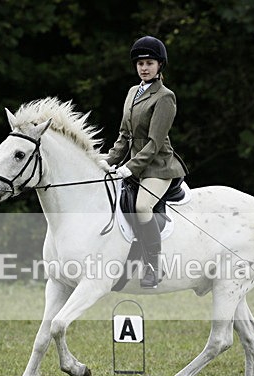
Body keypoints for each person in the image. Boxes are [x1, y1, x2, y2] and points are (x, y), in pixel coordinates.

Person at [99, 35, 187, 289]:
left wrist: (129, 167)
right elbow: (124, 136)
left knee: (141, 207)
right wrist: (108, 160)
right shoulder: (132, 92)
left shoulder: (165, 97)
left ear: (160, 65)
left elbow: (154, 143)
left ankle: (154, 266)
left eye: (149, 63)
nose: (144, 68)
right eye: (140, 63)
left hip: (159, 167)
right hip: (136, 165)